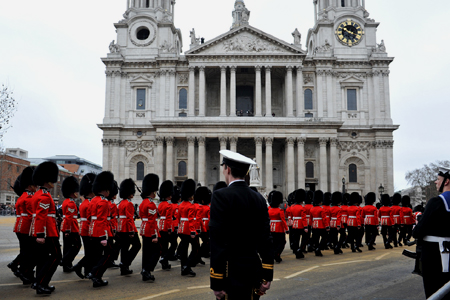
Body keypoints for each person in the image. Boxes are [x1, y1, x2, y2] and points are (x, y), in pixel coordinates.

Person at [210, 150, 274, 299]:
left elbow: (217, 242)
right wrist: (267, 276)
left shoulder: (220, 196)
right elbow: (266, 239)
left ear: (228, 169)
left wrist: (217, 280)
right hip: (254, 270)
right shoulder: (258, 198)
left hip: (229, 271)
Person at [413, 167, 450, 298]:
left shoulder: (436, 202)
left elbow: (418, 232)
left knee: (434, 292)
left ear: (446, 182)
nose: (435, 182)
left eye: (438, 179)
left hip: (434, 255)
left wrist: (417, 226)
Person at [31, 161, 61, 295]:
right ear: (47, 180)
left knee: (42, 259)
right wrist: (41, 234)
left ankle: (40, 283)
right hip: (48, 232)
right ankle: (41, 282)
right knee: (56, 257)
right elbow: (41, 217)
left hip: (46, 230)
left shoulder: (39, 194)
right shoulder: (43, 196)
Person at [88, 171, 115, 288]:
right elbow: (102, 220)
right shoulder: (103, 202)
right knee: (110, 255)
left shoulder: (93, 200)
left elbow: (91, 218)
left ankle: (97, 279)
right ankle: (95, 273)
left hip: (93, 231)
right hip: (102, 232)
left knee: (97, 256)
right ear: (106, 189)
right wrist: (103, 236)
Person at [117, 178, 141, 276]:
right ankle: (125, 263)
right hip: (127, 228)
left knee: (124, 248)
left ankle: (124, 268)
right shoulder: (129, 204)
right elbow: (129, 219)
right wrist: (131, 231)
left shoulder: (121, 203)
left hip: (121, 228)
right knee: (137, 245)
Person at [139, 173, 160, 281]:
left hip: (143, 228)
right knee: (156, 252)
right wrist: (154, 235)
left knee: (146, 252)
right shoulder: (151, 204)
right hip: (149, 230)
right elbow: (152, 221)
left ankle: (145, 272)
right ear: (152, 192)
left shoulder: (143, 203)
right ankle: (147, 270)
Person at [75, 173, 96, 279]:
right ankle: (80, 267)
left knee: (90, 252)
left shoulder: (85, 202)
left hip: (83, 229)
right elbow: (90, 220)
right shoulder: (89, 203)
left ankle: (87, 270)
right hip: (88, 230)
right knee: (91, 253)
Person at [60, 176, 81, 273]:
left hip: (67, 227)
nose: (77, 193)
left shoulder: (66, 201)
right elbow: (69, 217)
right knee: (77, 245)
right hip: (71, 228)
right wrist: (68, 230)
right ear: (72, 192)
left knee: (67, 247)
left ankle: (67, 265)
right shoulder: (71, 203)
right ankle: (65, 261)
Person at [177, 179, 197, 277]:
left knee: (184, 250)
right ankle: (187, 266)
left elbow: (178, 218)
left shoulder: (180, 205)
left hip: (181, 228)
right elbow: (191, 220)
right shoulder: (191, 206)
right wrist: (193, 231)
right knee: (196, 248)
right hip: (188, 229)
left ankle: (183, 268)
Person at [157, 180, 174, 270]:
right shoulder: (169, 205)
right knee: (173, 244)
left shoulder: (160, 205)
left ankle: (165, 263)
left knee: (164, 246)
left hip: (161, 226)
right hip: (166, 227)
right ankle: (164, 259)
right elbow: (168, 219)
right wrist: (169, 229)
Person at [268, 191, 288, 263]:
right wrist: (286, 229)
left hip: (271, 228)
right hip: (279, 229)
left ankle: (276, 254)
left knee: (274, 243)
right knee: (282, 242)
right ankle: (277, 253)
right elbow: (283, 220)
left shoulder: (269, 210)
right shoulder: (280, 210)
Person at [290, 189, 308, 259]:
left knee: (296, 239)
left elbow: (291, 217)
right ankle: (300, 249)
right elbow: (304, 218)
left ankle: (297, 251)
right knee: (305, 238)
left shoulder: (292, 207)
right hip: (301, 225)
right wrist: (305, 227)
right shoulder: (302, 207)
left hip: (295, 224)